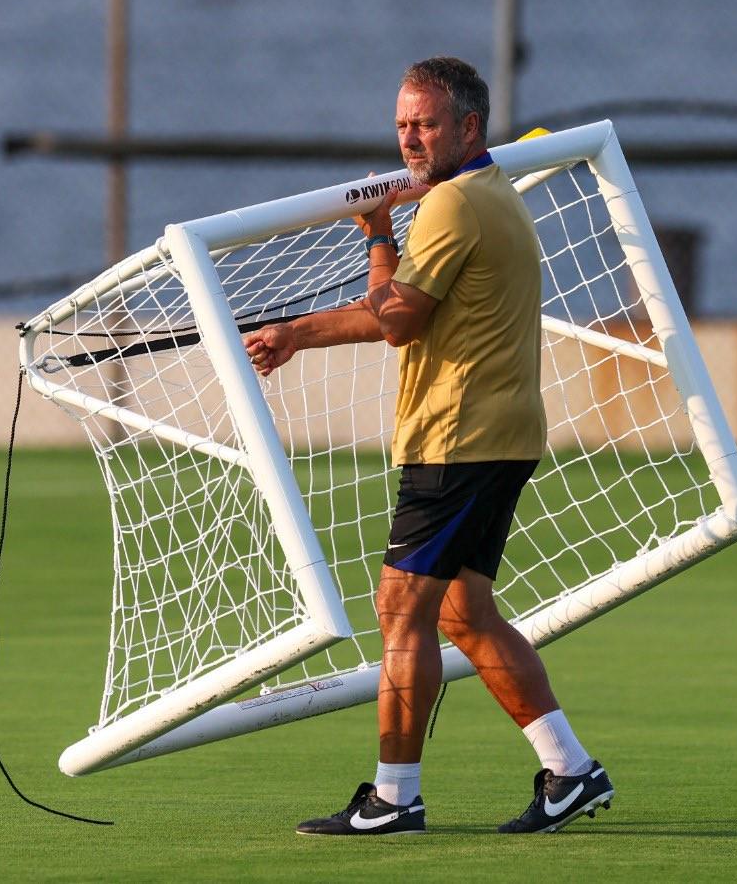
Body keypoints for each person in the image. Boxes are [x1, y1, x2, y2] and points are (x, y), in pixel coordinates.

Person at [244, 57, 613, 836]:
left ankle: (394, 797)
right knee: (464, 613)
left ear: (469, 128)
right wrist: (293, 335)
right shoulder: (485, 195)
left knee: (399, 609)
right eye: (403, 125)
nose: (411, 138)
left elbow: (396, 319)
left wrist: (377, 235)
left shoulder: (452, 207)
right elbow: (406, 312)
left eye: (427, 124)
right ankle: (572, 771)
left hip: (460, 439)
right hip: (500, 434)